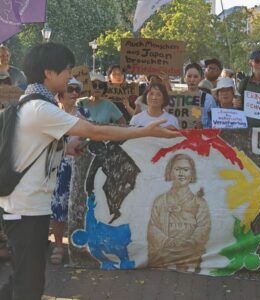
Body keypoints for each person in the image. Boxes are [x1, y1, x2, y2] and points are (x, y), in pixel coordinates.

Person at [0, 42, 180, 300]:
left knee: (23, 276)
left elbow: (32, 147)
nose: (71, 78)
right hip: (25, 210)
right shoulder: (41, 108)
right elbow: (96, 131)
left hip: (28, 208)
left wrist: (66, 148)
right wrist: (145, 131)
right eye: (67, 71)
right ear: (49, 73)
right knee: (29, 285)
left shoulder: (35, 103)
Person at [147, 154, 211, 272]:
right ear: (170, 172)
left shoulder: (200, 203)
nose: (181, 174)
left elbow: (204, 227)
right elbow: (153, 227)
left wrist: (189, 243)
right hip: (164, 253)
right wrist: (168, 241)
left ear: (192, 174)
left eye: (186, 170)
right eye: (177, 169)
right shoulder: (160, 201)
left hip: (190, 253)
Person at [49, 77, 88, 265]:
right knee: (59, 203)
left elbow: (91, 137)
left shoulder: (84, 114)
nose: (74, 93)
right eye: (70, 89)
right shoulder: (51, 114)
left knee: (80, 205)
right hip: (57, 167)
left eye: (77, 90)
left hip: (79, 166)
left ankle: (79, 245)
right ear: (61, 94)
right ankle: (58, 244)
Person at [183, 62, 217, 129]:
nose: (192, 80)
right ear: (184, 78)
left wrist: (203, 128)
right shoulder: (179, 98)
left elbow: (215, 124)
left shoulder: (208, 99)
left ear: (201, 78)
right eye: (189, 76)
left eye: (195, 77)